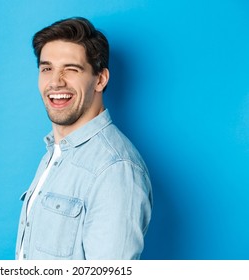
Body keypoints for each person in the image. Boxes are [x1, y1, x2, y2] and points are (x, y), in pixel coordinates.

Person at [16, 17, 152, 260]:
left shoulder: (115, 169)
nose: (55, 81)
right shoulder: (55, 154)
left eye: (71, 69)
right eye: (47, 68)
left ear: (100, 79)